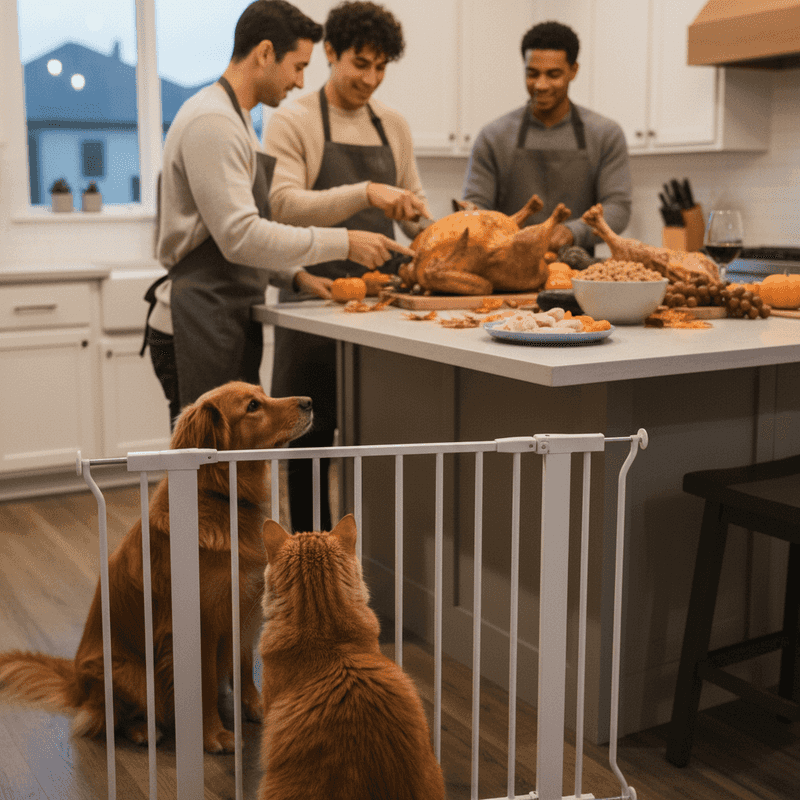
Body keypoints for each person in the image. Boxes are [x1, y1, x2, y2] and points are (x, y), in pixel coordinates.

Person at [142, 0, 412, 426]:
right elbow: (241, 237)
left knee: (231, 470)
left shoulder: (238, 120)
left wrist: (295, 276)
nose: (300, 80)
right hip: (196, 318)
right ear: (265, 53)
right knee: (207, 477)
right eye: (298, 66)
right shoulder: (212, 122)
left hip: (223, 313)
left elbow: (227, 239)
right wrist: (343, 241)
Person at [264, 0, 431, 533]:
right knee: (308, 446)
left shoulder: (394, 126)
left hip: (380, 315)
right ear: (330, 52)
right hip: (312, 308)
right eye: (361, 63)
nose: (371, 79)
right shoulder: (293, 120)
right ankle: (306, 560)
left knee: (374, 444)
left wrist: (435, 228)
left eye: (382, 67)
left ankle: (362, 569)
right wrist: (366, 192)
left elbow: (415, 215)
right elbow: (283, 206)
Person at [462, 20, 631, 254]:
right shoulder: (493, 137)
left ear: (574, 71)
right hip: (506, 268)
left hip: (578, 272)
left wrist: (572, 232)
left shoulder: (605, 134)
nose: (541, 85)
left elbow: (617, 208)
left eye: (553, 75)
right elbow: (475, 205)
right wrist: (470, 215)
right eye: (532, 74)